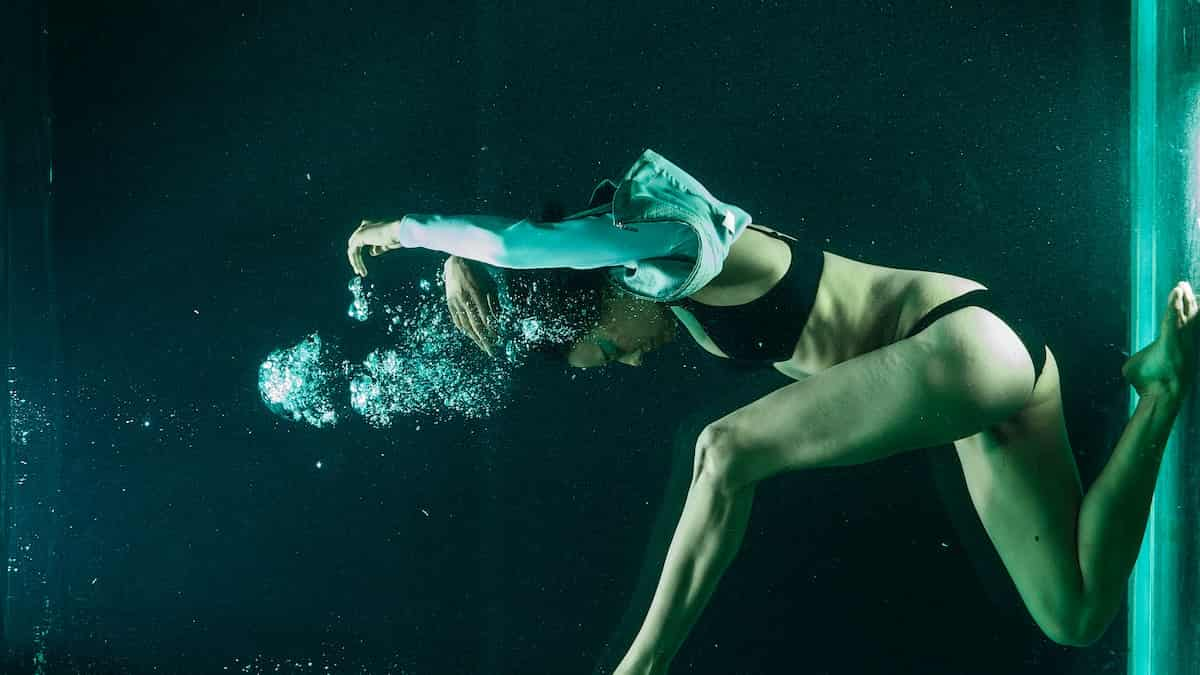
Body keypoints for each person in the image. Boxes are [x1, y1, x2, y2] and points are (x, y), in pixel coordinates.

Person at [347, 149, 1198, 674]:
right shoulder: (662, 283)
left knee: (724, 450)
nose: (629, 359)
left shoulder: (672, 231)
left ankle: (642, 666)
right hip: (981, 376)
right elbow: (519, 253)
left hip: (963, 343)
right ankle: (1160, 388)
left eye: (605, 347)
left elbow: (519, 245)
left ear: (595, 289)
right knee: (1075, 613)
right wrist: (475, 273)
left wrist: (411, 231)